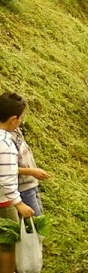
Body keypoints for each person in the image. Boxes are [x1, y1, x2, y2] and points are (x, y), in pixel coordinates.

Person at [0, 93, 35, 273]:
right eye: (21, 118)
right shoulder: (5, 143)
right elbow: (6, 178)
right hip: (3, 203)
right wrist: (19, 204)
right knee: (8, 243)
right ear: (14, 119)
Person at [12, 128, 50, 216]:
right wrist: (31, 171)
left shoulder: (16, 130)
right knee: (35, 221)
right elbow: (7, 168)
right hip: (22, 187)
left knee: (40, 216)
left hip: (30, 182)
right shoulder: (5, 138)